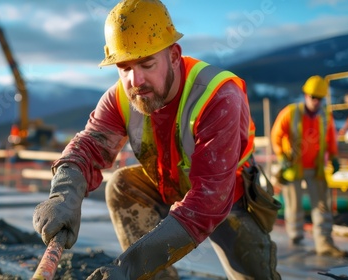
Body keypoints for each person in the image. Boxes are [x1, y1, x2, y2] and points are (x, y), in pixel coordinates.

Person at [33, 0, 280, 279]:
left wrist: (126, 269)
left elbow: (207, 202)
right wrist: (63, 195)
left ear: (174, 55)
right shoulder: (121, 98)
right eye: (124, 68)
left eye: (146, 63)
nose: (135, 80)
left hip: (226, 197)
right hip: (168, 186)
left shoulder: (219, 97)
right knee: (122, 185)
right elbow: (89, 145)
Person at [271, 75, 348, 258]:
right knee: (294, 205)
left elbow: (331, 138)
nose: (316, 101)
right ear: (306, 95)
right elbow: (277, 134)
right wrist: (282, 156)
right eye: (313, 97)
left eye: (319, 98)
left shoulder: (325, 117)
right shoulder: (291, 112)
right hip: (294, 167)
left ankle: (324, 241)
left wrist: (334, 157)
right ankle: (296, 237)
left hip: (316, 167)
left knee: (322, 205)